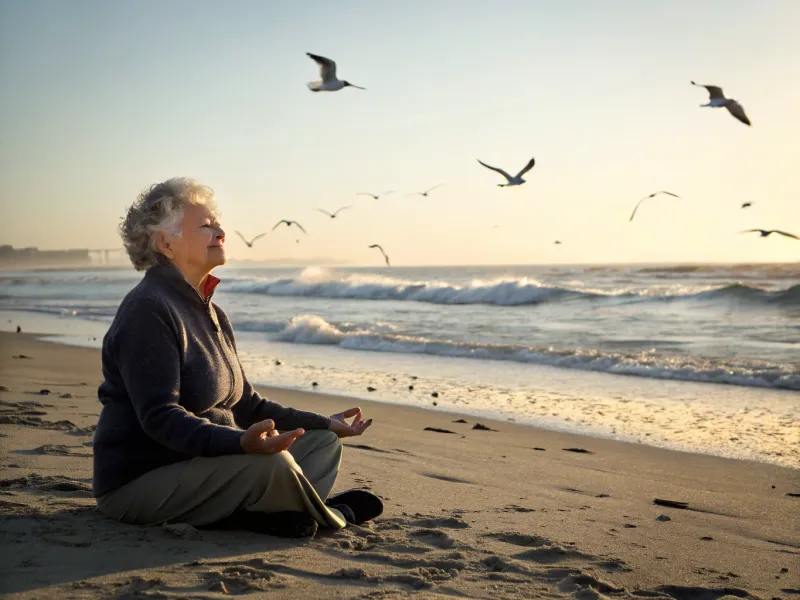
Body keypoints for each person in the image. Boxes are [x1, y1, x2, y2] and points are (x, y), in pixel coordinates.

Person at [92, 177, 383, 537]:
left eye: (217, 224)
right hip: (140, 482)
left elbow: (247, 403)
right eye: (206, 226)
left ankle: (267, 514)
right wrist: (239, 443)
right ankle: (331, 516)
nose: (221, 232)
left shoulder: (212, 314)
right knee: (274, 465)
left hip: (207, 465)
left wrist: (325, 422)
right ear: (165, 241)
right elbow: (160, 417)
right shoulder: (148, 309)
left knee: (320, 444)